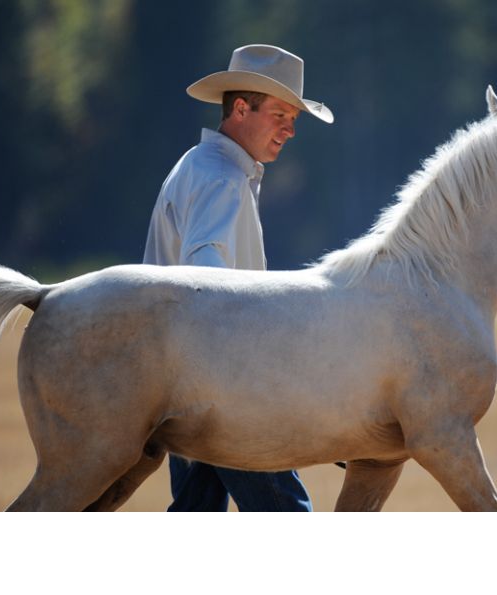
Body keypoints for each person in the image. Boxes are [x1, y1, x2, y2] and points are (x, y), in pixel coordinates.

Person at [142, 44, 334, 511]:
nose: (290, 129)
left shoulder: (200, 165)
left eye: (295, 118)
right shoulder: (222, 179)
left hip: (185, 389)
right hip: (223, 393)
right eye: (281, 114)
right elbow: (205, 286)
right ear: (241, 108)